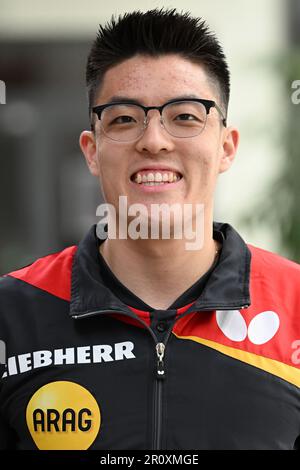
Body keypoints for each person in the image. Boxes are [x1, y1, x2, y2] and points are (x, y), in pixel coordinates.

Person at [0, 8, 300, 451]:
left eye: (185, 116)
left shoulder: (294, 306)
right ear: (92, 151)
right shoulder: (13, 317)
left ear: (225, 146)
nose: (154, 140)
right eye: (124, 118)